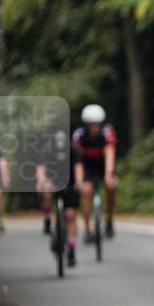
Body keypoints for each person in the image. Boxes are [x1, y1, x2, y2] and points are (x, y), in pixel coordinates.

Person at [36, 131, 84, 267]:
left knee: (70, 215)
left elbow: (78, 167)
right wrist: (42, 181)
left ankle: (71, 247)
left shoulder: (74, 150)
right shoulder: (47, 149)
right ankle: (47, 218)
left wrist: (79, 182)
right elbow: (41, 168)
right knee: (46, 191)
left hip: (69, 183)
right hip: (52, 181)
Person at [73, 104, 118, 242]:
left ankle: (109, 220)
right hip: (86, 165)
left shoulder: (107, 132)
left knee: (111, 186)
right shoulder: (79, 135)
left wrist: (109, 174)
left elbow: (109, 152)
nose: (95, 127)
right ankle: (87, 229)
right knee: (85, 191)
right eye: (91, 124)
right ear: (86, 124)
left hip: (103, 164)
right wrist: (79, 180)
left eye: (97, 124)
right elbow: (77, 160)